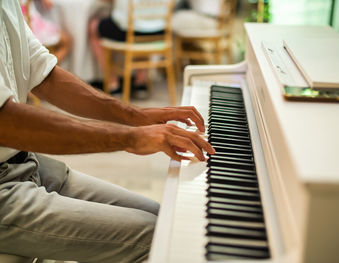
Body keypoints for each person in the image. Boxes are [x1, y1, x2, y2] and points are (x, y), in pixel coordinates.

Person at [0, 1, 214, 263]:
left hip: (26, 163)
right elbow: (6, 122)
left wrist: (136, 116)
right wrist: (128, 138)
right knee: (157, 240)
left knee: (165, 218)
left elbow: (44, 74)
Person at [89, 0, 173, 95]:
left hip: (127, 31)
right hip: (160, 31)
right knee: (143, 29)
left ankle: (113, 83)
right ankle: (141, 81)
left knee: (93, 26)